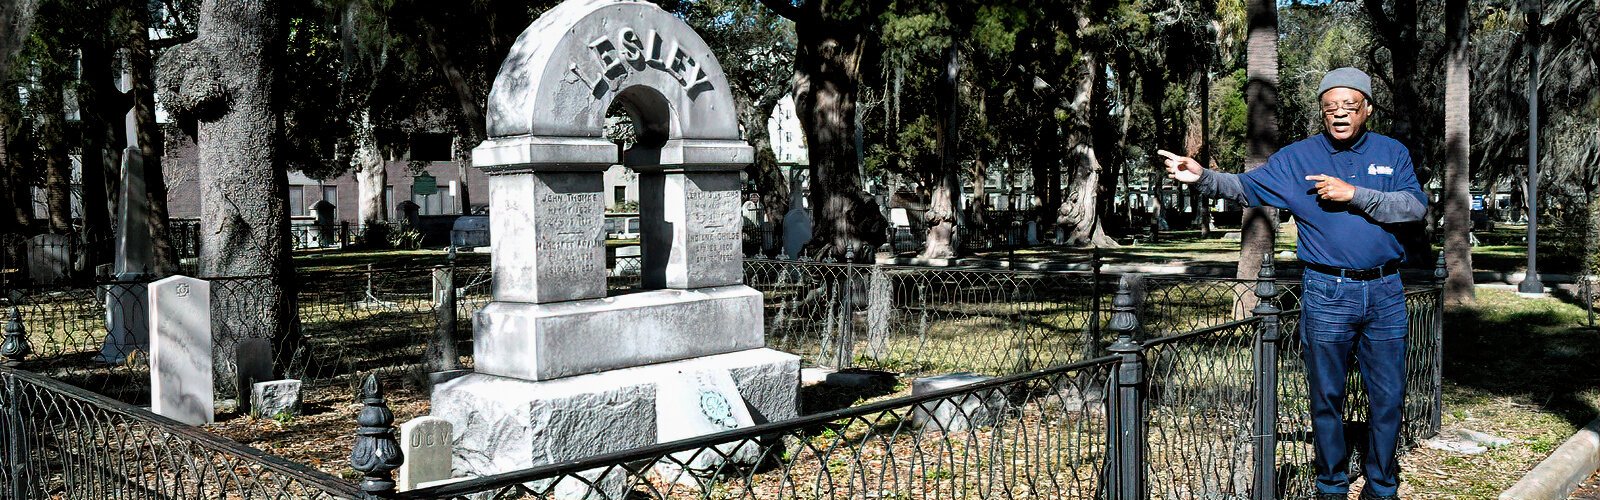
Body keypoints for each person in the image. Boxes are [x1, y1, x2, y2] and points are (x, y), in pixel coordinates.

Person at [1162, 67, 1426, 500]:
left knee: (1388, 398)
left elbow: (1413, 207)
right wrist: (1203, 177)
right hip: (1327, 292)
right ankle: (1331, 486)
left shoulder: (1391, 152)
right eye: (1330, 108)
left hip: (1385, 292)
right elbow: (1247, 187)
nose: (1339, 114)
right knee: (1326, 398)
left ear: (1368, 110)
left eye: (1349, 106)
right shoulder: (1298, 158)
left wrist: (1354, 194)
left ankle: (1381, 486)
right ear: (1322, 113)